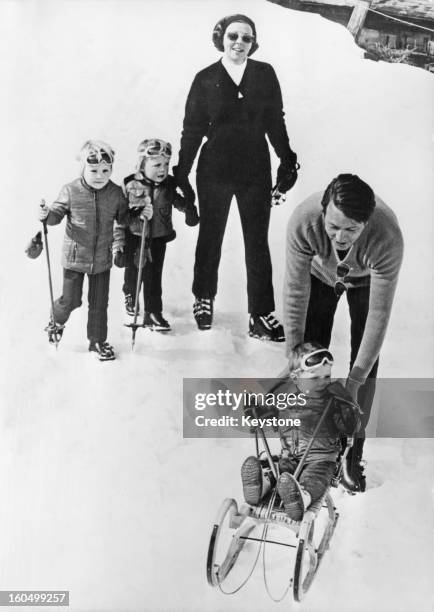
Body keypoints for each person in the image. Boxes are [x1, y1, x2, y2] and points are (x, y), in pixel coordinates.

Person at [175, 13, 299, 339]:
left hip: (254, 170)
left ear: (253, 42)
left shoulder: (264, 74)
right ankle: (203, 297)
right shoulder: (205, 79)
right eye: (233, 36)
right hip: (213, 171)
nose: (239, 43)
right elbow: (192, 129)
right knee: (210, 237)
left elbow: (275, 120)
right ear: (221, 38)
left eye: (246, 38)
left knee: (257, 243)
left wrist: (287, 159)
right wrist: (182, 171)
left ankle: (260, 314)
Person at [283, 174, 404, 490]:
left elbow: (378, 316)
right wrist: (294, 356)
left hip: (366, 282)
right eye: (333, 226)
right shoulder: (303, 221)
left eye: (351, 229)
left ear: (366, 223)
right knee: (309, 360)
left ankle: (351, 455)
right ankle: (304, 449)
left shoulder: (386, 236)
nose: (340, 236)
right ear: (323, 212)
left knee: (364, 371)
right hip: (320, 277)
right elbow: (295, 291)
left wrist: (354, 383)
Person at [241, 342, 360, 521]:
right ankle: (261, 486)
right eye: (315, 378)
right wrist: (256, 412)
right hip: (290, 457)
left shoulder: (333, 399)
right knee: (279, 474)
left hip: (321, 459)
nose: (323, 382)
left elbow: (349, 427)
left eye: (327, 376)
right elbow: (268, 416)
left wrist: (347, 410)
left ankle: (301, 498)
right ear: (296, 378)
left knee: (314, 480)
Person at [39, 140, 127, 361]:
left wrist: (141, 213)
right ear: (83, 168)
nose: (100, 175)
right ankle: (56, 320)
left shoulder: (115, 193)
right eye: (94, 170)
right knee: (71, 300)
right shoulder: (71, 190)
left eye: (106, 170)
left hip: (102, 259)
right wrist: (47, 215)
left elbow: (125, 219)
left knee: (99, 304)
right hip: (75, 258)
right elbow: (56, 215)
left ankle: (97, 341)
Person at [114, 138, 197, 331]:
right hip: (135, 236)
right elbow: (119, 217)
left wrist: (188, 208)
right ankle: (130, 293)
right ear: (143, 164)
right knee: (134, 271)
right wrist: (118, 244)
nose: (163, 169)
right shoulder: (130, 184)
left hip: (159, 237)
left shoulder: (168, 184)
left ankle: (152, 312)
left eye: (166, 164)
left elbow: (177, 201)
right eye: (157, 164)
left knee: (153, 276)